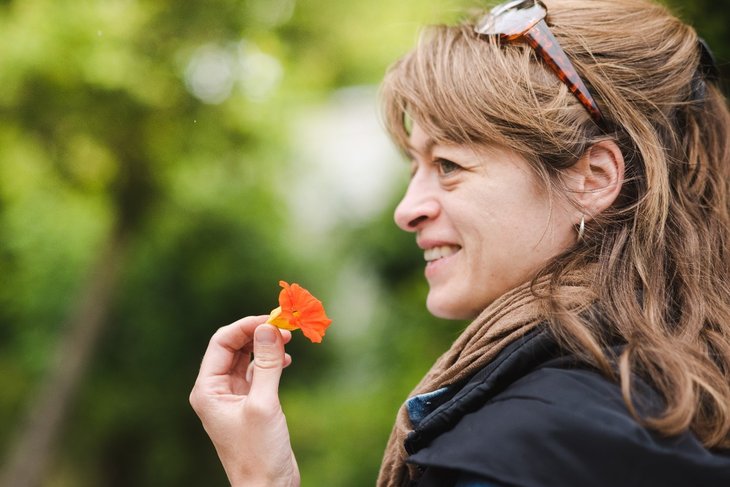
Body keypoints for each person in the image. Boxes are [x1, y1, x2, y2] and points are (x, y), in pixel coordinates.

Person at [189, 0, 730, 485]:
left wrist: (261, 480)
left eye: (449, 165)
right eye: (415, 167)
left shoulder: (519, 448)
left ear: (592, 178)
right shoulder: (684, 383)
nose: (407, 210)